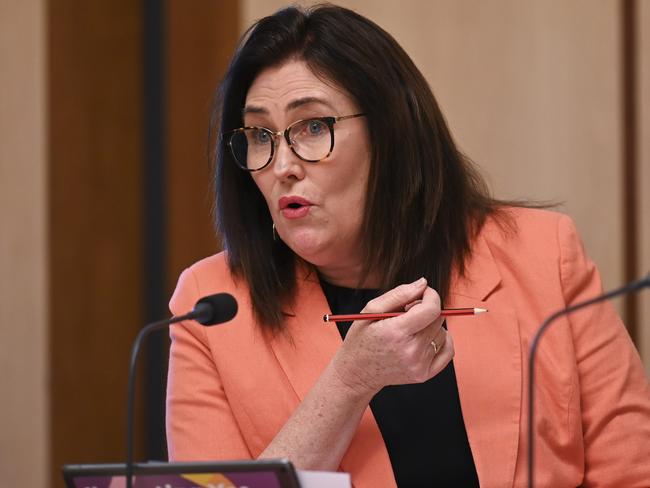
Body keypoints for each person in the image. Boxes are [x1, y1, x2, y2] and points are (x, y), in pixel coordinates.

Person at [165, 5, 650, 487]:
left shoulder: (543, 255)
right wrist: (349, 383)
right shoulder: (211, 309)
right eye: (259, 135)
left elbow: (632, 472)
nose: (282, 165)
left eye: (313, 127)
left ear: (392, 132)